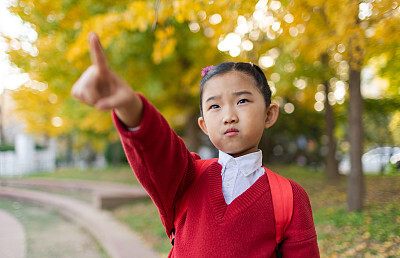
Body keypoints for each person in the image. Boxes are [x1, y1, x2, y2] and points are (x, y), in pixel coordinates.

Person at [72, 32, 320, 257]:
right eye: (215, 106)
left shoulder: (290, 197)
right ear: (203, 125)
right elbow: (157, 148)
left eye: (242, 101)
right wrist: (129, 106)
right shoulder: (186, 177)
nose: (228, 116)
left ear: (269, 114)